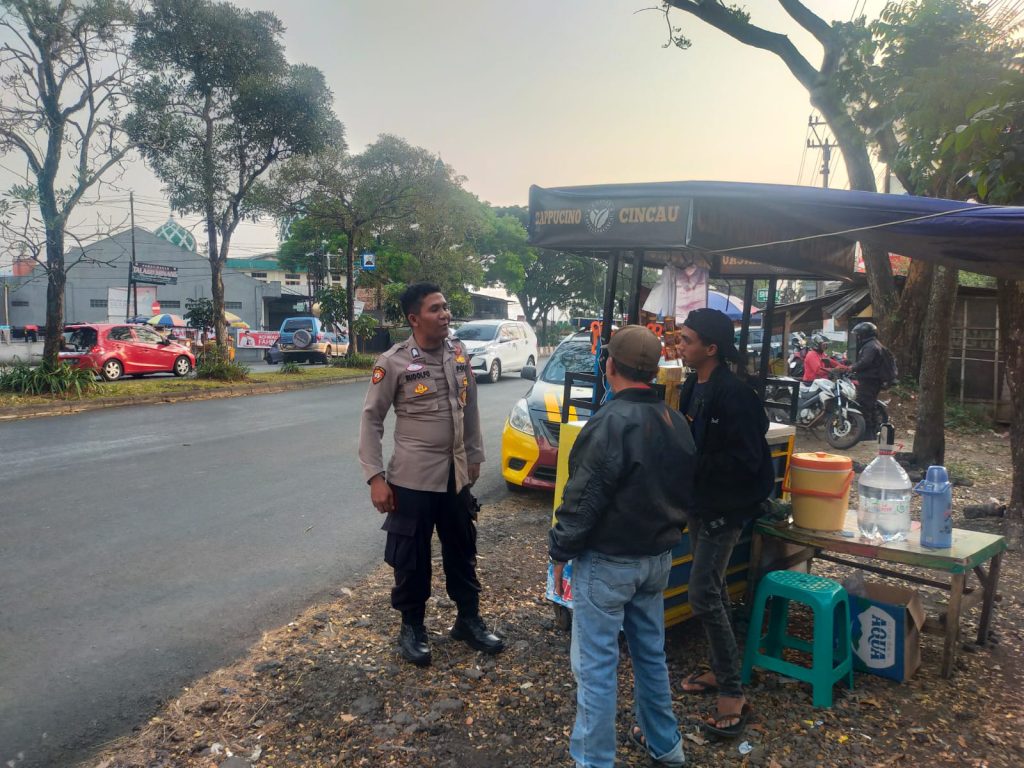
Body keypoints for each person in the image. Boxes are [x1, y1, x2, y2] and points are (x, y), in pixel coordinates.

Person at [549, 325, 695, 768]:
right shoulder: (676, 422)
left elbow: (583, 498)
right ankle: (666, 747)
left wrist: (560, 551)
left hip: (609, 564)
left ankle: (595, 761)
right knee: (651, 654)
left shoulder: (610, 422)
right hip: (656, 561)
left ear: (609, 365)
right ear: (651, 372)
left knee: (595, 668)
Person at [358, 282, 503, 667]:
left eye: (446, 307)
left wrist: (474, 455)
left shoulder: (458, 353)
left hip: (456, 476)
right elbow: (372, 419)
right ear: (413, 318)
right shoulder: (392, 362)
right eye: (436, 309)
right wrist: (375, 477)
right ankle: (412, 627)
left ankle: (468, 620)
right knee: (411, 559)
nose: (445, 315)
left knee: (462, 549)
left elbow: (469, 407)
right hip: (412, 481)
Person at [676, 308, 775, 740]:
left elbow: (748, 459)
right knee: (712, 589)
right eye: (680, 339)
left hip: (726, 509)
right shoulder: (690, 387)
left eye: (687, 340)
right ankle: (723, 670)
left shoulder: (736, 395)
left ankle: (733, 691)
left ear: (711, 348)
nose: (680, 347)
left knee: (702, 593)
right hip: (700, 503)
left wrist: (695, 462)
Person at [836, 321, 887, 441]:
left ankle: (867, 434)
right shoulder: (874, 344)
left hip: (870, 381)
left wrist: (851, 368)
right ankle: (873, 432)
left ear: (865, 334)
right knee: (870, 405)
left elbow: (865, 362)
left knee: (864, 406)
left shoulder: (870, 346)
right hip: (873, 380)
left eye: (859, 334)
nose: (858, 337)